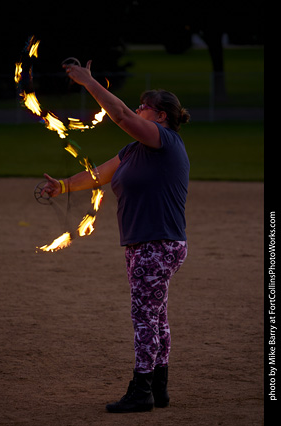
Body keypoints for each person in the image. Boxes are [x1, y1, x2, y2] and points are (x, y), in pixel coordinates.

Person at [42, 61, 190, 413]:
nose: (138, 109)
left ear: (162, 115)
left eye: (145, 106)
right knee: (156, 316)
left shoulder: (164, 141)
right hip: (147, 243)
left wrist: (88, 82)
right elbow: (98, 176)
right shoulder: (133, 151)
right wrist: (62, 186)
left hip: (157, 243)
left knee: (144, 317)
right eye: (139, 105)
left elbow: (121, 115)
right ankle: (159, 386)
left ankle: (142, 391)